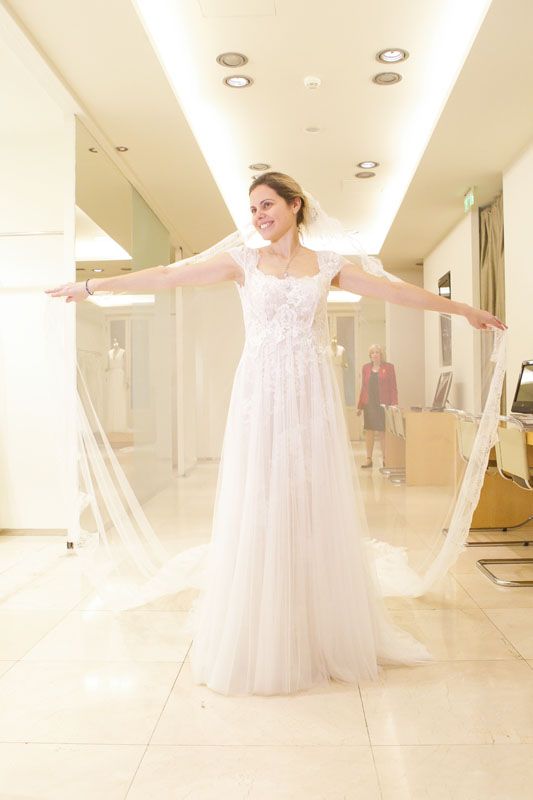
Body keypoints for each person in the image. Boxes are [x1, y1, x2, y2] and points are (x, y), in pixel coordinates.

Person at [46, 172, 505, 696]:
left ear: (295, 205)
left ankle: (315, 622)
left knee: (309, 498)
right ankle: (260, 621)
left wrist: (462, 310)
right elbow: (170, 275)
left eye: (267, 205)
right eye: (254, 209)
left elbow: (396, 291)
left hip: (310, 398)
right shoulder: (243, 262)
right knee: (262, 498)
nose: (259, 216)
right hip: (259, 398)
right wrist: (92, 286)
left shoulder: (327, 266)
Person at [357, 344, 397, 468]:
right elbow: (364, 387)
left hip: (382, 403)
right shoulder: (365, 368)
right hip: (369, 403)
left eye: (377, 352)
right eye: (372, 352)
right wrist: (360, 406)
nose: (375, 354)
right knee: (369, 431)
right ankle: (369, 459)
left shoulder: (389, 367)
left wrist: (394, 404)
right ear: (370, 355)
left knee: (382, 431)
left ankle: (385, 459)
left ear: (381, 354)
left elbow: (393, 387)